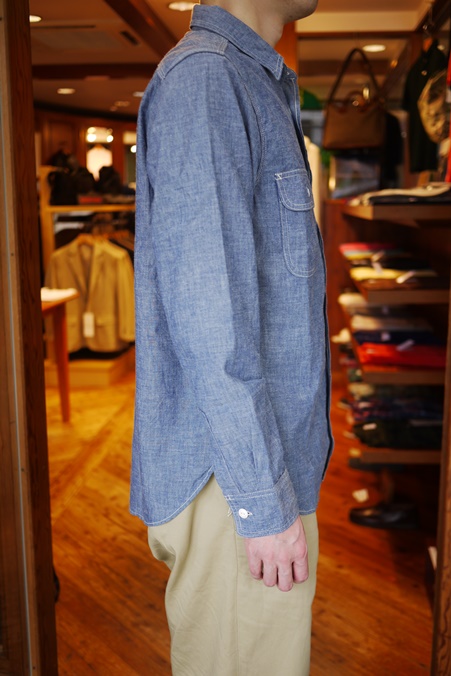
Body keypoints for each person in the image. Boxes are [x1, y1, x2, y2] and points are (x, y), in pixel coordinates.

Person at [130, 1, 333, 674]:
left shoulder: (243, 78)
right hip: (235, 481)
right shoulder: (208, 80)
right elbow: (208, 314)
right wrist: (260, 502)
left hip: (250, 471)